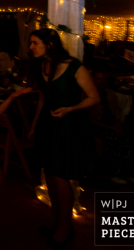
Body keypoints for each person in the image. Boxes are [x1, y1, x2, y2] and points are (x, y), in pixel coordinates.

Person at [28, 29, 100, 248]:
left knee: (60, 176)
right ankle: (54, 219)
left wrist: (70, 109)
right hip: (48, 125)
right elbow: (43, 98)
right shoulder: (42, 65)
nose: (31, 47)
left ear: (49, 44)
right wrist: (33, 126)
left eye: (34, 43)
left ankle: (65, 227)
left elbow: (94, 98)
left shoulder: (75, 66)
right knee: (49, 173)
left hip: (68, 125)